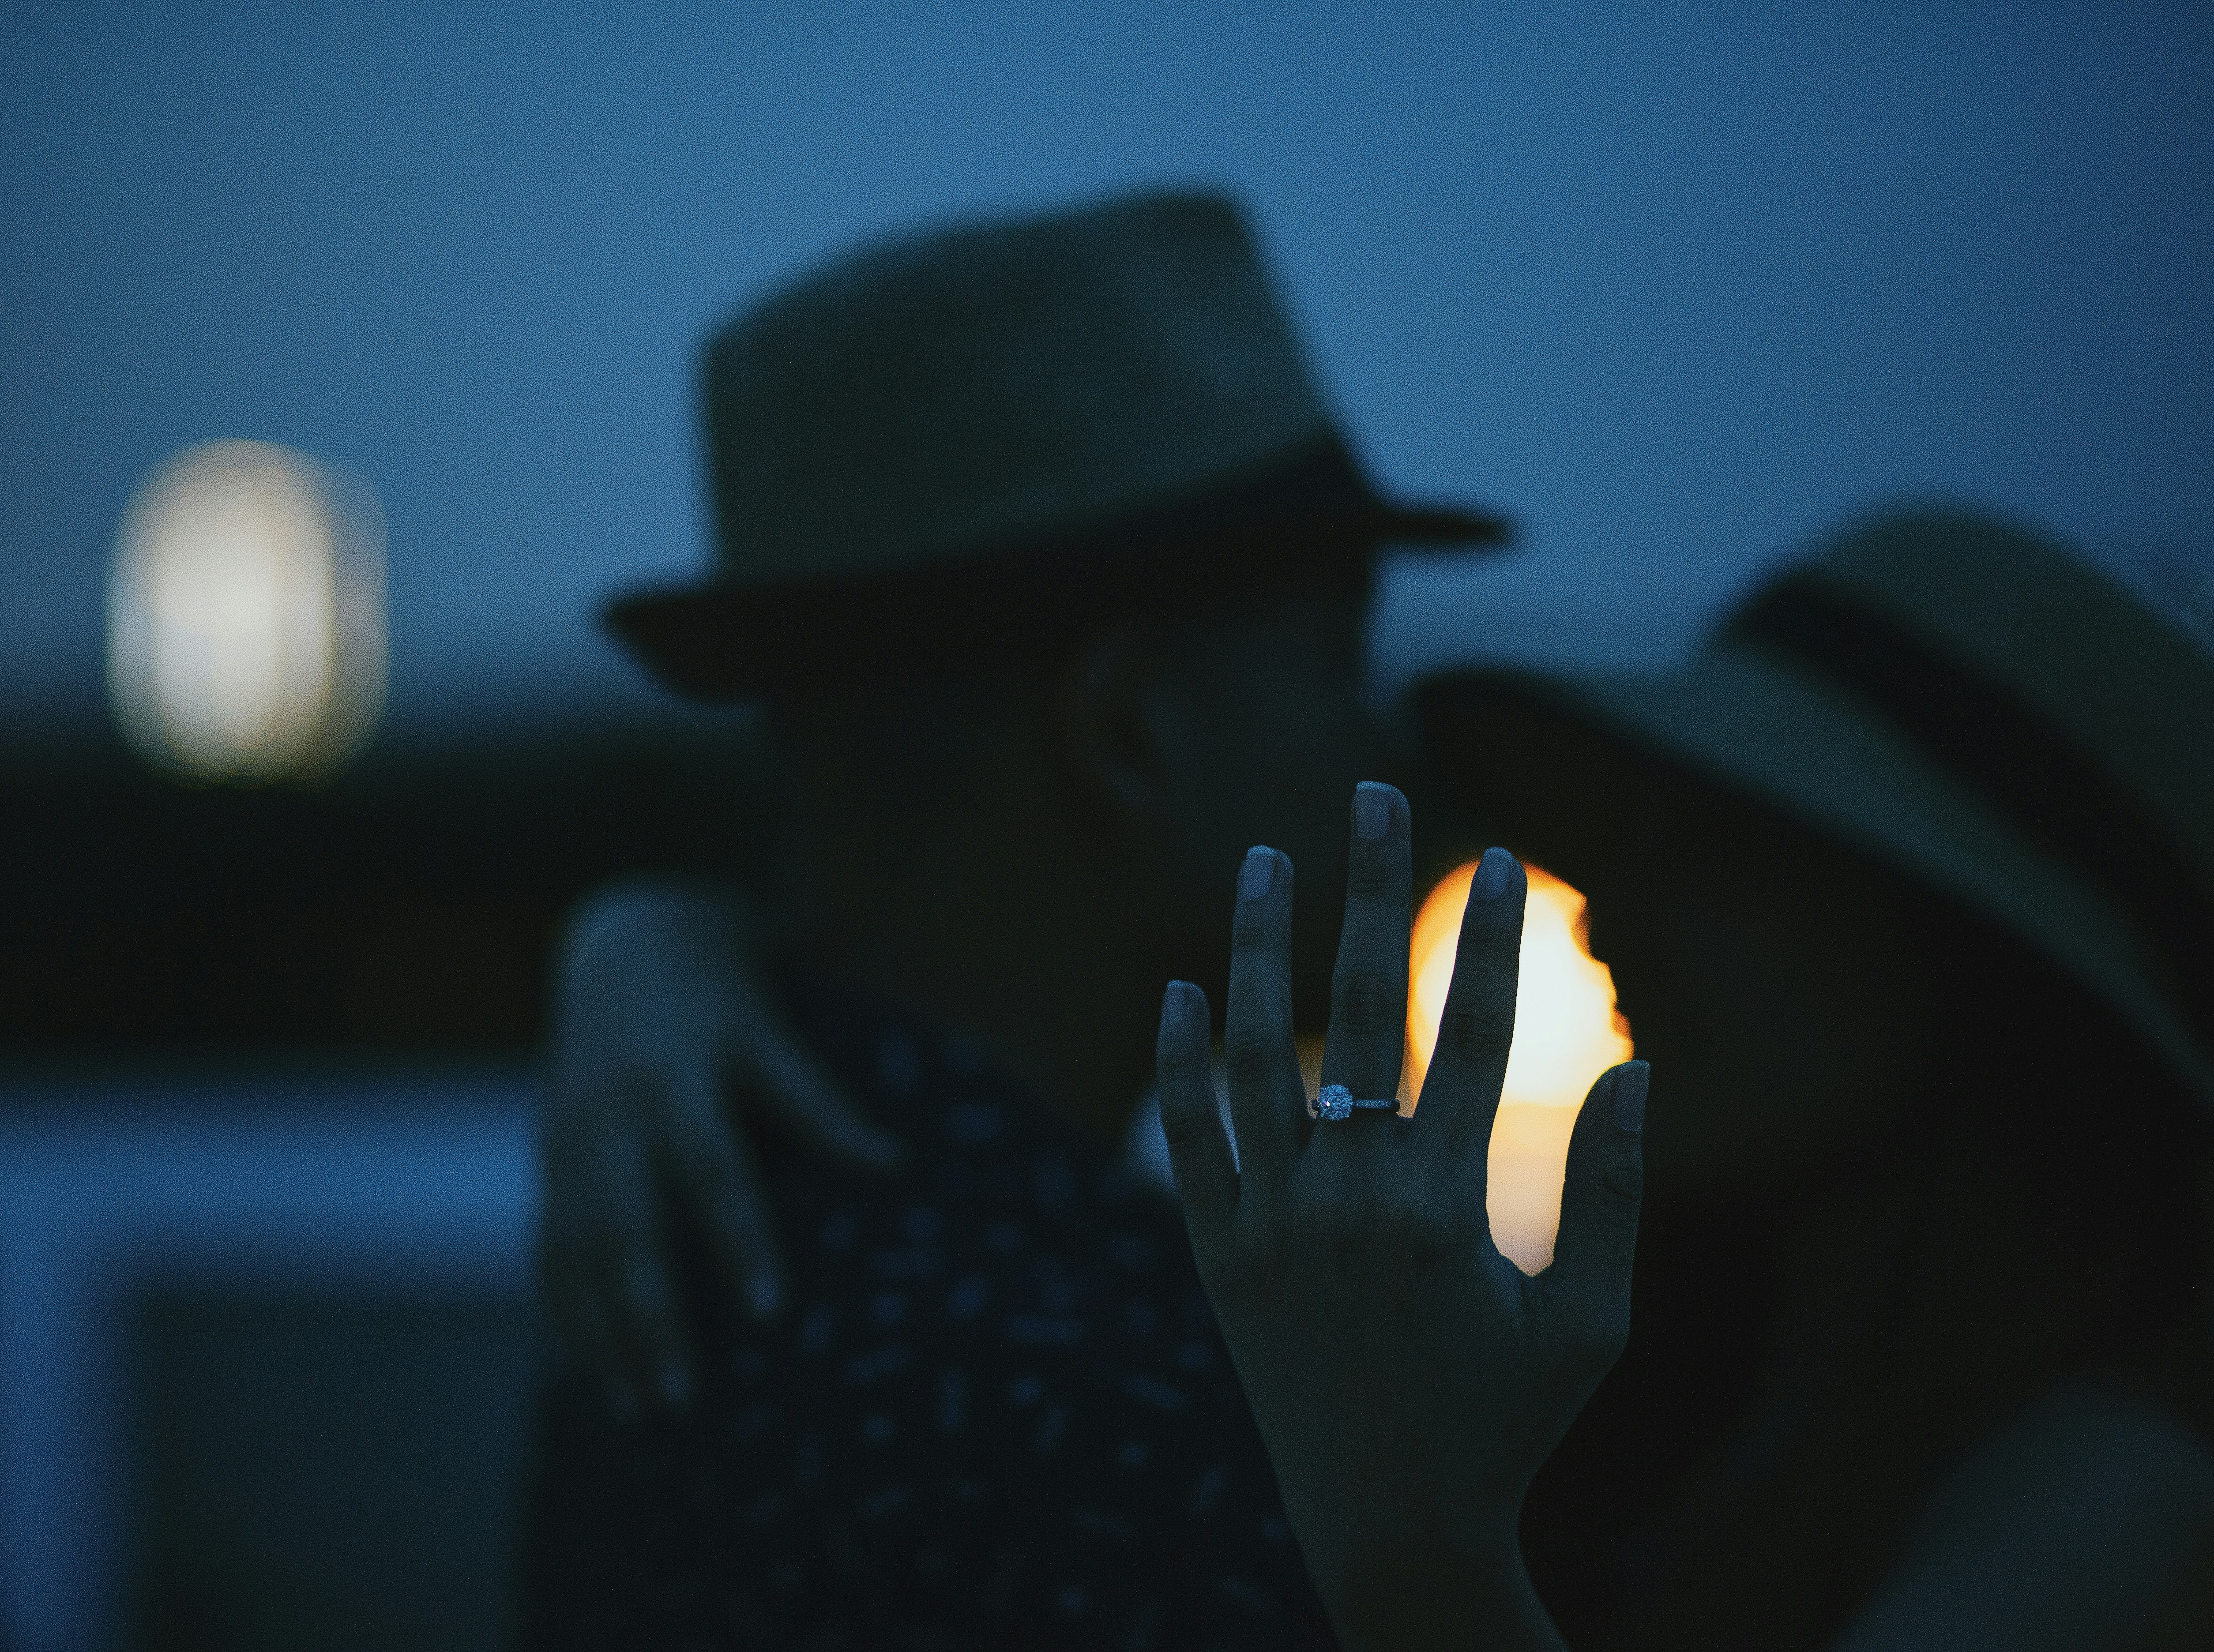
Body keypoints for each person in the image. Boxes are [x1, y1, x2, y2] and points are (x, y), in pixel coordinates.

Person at [544, 510, 2214, 1645]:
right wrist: (652, 935)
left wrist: (1418, 1556)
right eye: (1623, 829)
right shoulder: (1676, 1349)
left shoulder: (2124, 1491)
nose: (1609, 905)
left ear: (1994, 966)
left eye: (1736, 851)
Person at [517, 188, 1510, 1647]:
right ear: (1123, 735)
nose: (1383, 743)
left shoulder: (674, 1244)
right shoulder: (1138, 1404)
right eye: (1332, 654)